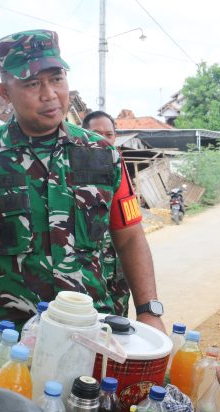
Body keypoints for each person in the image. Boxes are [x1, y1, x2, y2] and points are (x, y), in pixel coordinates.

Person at [0, 30, 165, 381]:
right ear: (4, 92)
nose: (49, 94)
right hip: (10, 340)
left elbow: (130, 238)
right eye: (31, 84)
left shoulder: (104, 155)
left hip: (97, 335)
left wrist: (148, 311)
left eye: (56, 78)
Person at [81, 110, 130, 317]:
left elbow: (129, 221)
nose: (103, 140)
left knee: (117, 321)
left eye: (109, 134)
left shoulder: (118, 167)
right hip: (87, 269)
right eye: (96, 133)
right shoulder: (69, 171)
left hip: (116, 261)